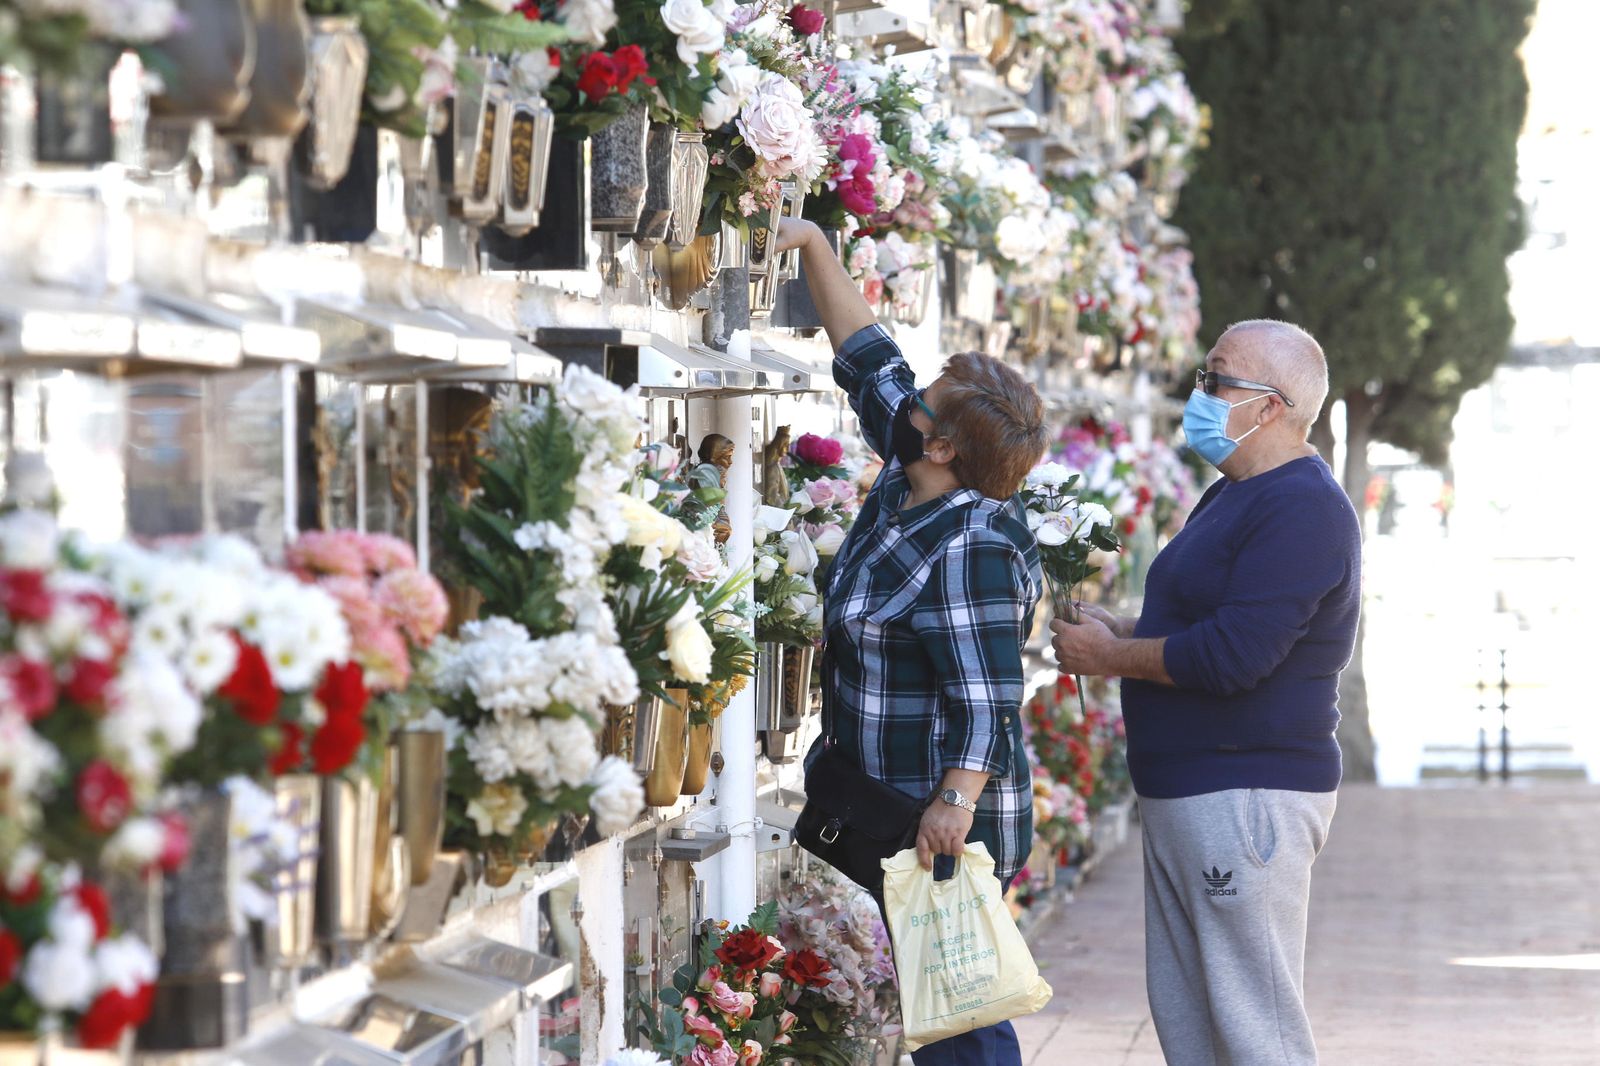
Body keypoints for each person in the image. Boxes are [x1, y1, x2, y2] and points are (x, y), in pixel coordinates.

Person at [776, 217, 1049, 1066]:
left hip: (937, 823)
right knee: (932, 1012)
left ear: (941, 446)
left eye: (922, 404)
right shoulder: (913, 479)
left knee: (962, 1020)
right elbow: (871, 360)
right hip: (886, 800)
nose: (907, 403)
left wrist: (951, 811)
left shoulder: (972, 543)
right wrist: (811, 242)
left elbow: (987, 699)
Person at [1050, 320, 1361, 1066]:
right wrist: (1122, 628)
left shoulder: (1302, 506)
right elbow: (1212, 622)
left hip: (1244, 792)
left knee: (1256, 1030)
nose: (1200, 393)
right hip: (1197, 790)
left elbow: (1233, 657)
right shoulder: (1238, 492)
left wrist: (1111, 656)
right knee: (1196, 1027)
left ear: (1270, 406)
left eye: (1216, 380)